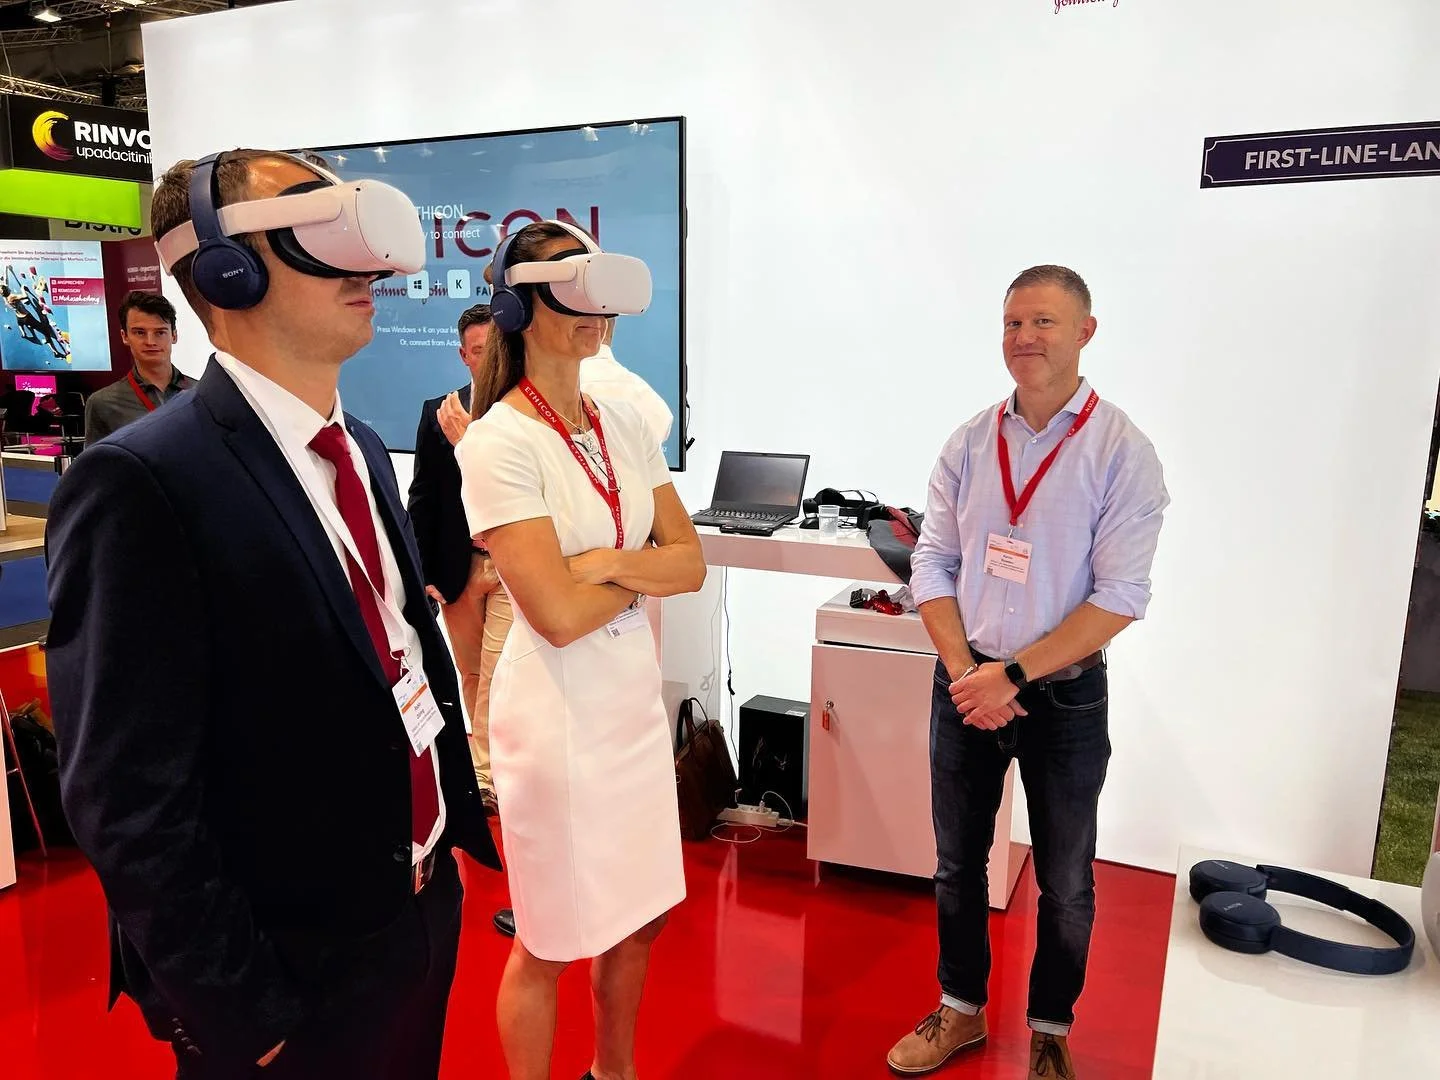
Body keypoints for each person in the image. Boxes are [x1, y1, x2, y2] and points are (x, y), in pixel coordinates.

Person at [45, 147, 500, 1080]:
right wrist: (242, 1012)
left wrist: (443, 861)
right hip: (287, 982)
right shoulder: (142, 482)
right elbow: (126, 799)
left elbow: (397, 653)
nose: (368, 263)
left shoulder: (364, 450)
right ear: (226, 268)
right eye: (316, 228)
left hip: (414, 921)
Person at [888, 265, 1168, 1080]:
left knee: (1066, 878)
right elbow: (931, 559)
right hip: (964, 683)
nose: (1024, 339)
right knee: (955, 865)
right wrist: (963, 670)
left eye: (1043, 322)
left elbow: (1120, 598)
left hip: (1063, 697)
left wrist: (1008, 674)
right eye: (1012, 323)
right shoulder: (970, 441)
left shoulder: (1122, 451)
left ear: (1086, 331)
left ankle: (1050, 1027)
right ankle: (960, 1011)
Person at [457, 220, 705, 1080]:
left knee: (640, 917)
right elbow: (555, 616)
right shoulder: (498, 442)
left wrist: (602, 567)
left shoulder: (624, 423)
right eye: (572, 282)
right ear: (519, 301)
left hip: (628, 705)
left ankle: (614, 1072)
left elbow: (693, 560)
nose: (594, 304)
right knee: (552, 937)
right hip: (557, 718)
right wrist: (640, 575)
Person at [408, 301, 508, 810]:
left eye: (489, 348)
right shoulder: (438, 411)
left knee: (498, 674)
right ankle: (483, 764)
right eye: (472, 351)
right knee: (470, 673)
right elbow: (423, 496)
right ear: (462, 356)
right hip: (458, 565)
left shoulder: (523, 413)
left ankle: (488, 777)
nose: (481, 358)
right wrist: (420, 572)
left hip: (513, 566)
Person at [83, 291, 196, 448]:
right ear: (125, 336)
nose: (150, 341)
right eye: (140, 332)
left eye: (160, 332)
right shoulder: (103, 403)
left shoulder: (202, 393)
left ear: (174, 336)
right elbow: (97, 468)